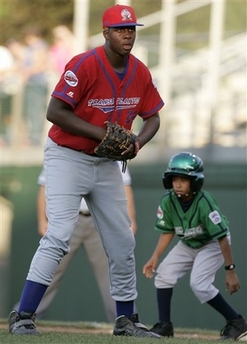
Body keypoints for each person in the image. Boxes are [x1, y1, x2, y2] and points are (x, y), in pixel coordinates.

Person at [8, 4, 164, 338]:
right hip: (67, 156)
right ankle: (22, 315)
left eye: (131, 29)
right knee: (58, 235)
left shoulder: (139, 71)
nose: (127, 34)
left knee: (122, 240)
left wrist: (137, 143)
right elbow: (55, 111)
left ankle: (126, 321)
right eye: (121, 30)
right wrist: (103, 134)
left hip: (106, 163)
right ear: (105, 33)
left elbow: (153, 116)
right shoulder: (85, 64)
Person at [13, 161, 136, 323]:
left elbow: (124, 187)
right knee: (50, 268)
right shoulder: (63, 151)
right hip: (70, 219)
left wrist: (131, 219)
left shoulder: (112, 152)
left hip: (99, 220)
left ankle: (125, 320)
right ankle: (22, 315)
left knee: (112, 272)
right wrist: (42, 219)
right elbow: (45, 185)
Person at [143, 152, 247, 340]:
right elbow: (168, 230)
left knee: (199, 284)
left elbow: (222, 236)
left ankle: (237, 321)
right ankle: (165, 326)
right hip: (189, 243)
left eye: (184, 179)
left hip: (213, 243)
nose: (178, 184)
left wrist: (230, 270)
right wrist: (155, 256)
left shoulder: (204, 202)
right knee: (164, 275)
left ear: (195, 181)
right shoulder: (168, 201)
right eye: (174, 179)